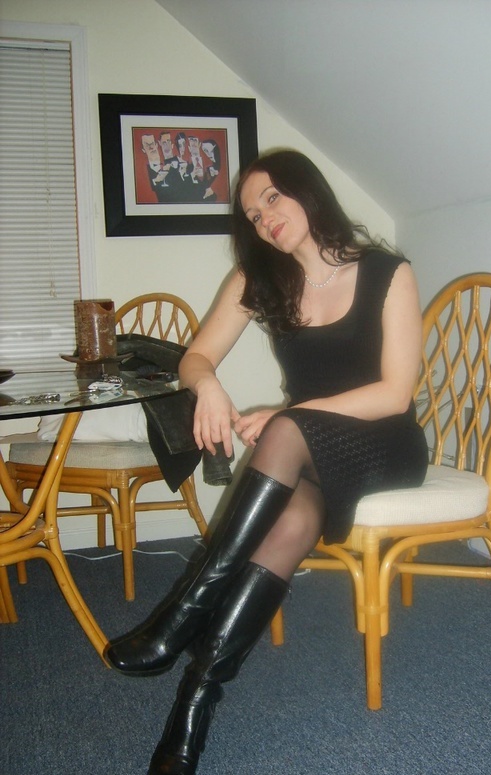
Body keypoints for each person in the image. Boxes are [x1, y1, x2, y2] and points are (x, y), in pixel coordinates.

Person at [105, 149, 429, 775]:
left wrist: (291, 414)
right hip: (308, 449)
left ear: (308, 191)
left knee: (286, 427)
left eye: (272, 198)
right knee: (290, 522)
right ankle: (193, 708)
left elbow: (395, 394)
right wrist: (208, 387)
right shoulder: (260, 278)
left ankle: (180, 615)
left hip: (385, 445)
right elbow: (194, 358)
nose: (264, 219)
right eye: (252, 215)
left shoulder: (388, 271)